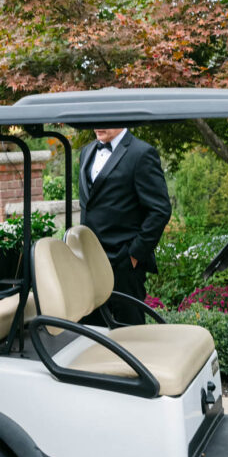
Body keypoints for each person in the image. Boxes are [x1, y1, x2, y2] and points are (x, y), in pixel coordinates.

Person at [78, 127, 171, 325]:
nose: (98, 124)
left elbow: (160, 210)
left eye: (105, 118)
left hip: (124, 264)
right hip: (89, 262)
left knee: (131, 332)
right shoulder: (86, 152)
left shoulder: (141, 153)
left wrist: (134, 255)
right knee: (89, 333)